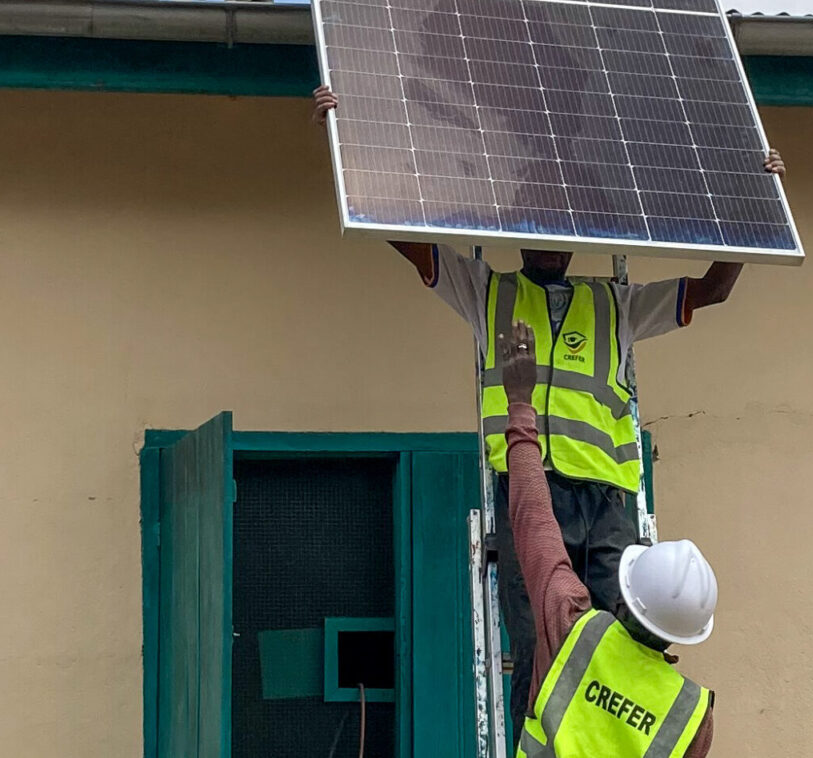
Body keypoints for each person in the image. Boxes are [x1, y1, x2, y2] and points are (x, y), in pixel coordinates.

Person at [311, 84, 778, 745]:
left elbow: (714, 289)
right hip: (532, 489)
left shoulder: (616, 304)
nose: (550, 241)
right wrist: (349, 147)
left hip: (609, 500)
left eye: (562, 226)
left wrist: (756, 203)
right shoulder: (489, 292)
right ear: (517, 227)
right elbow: (413, 246)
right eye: (536, 223)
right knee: (537, 647)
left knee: (622, 645)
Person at [496, 320, 718, 758]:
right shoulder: (692, 715)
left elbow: (534, 522)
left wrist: (520, 405)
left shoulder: (570, 628)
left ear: (622, 599)